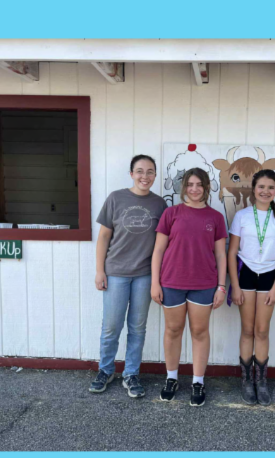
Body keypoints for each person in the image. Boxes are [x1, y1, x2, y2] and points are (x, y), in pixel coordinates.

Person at [90, 154, 168, 400]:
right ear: (131, 173)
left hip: (144, 275)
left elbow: (163, 244)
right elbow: (103, 237)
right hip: (116, 273)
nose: (145, 176)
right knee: (111, 326)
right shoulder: (116, 198)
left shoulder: (160, 205)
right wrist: (100, 270)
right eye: (140, 171)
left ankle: (131, 374)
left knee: (137, 328)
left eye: (150, 172)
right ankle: (106, 370)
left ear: (155, 175)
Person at [151, 166, 228, 407]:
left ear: (206, 188)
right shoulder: (171, 213)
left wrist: (221, 287)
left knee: (199, 332)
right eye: (190, 185)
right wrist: (155, 282)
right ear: (184, 187)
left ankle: (198, 381)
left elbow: (221, 256)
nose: (195, 189)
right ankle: (171, 378)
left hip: (204, 284)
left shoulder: (215, 217)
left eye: (200, 185)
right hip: (172, 281)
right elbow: (158, 250)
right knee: (173, 331)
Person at [229, 168, 275, 405]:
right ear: (254, 189)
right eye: (261, 187)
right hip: (246, 275)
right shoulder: (242, 216)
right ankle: (246, 381)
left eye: (271, 187)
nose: (266, 191)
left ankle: (261, 381)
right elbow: (232, 251)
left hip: (268, 276)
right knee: (247, 329)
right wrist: (234, 286)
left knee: (262, 330)